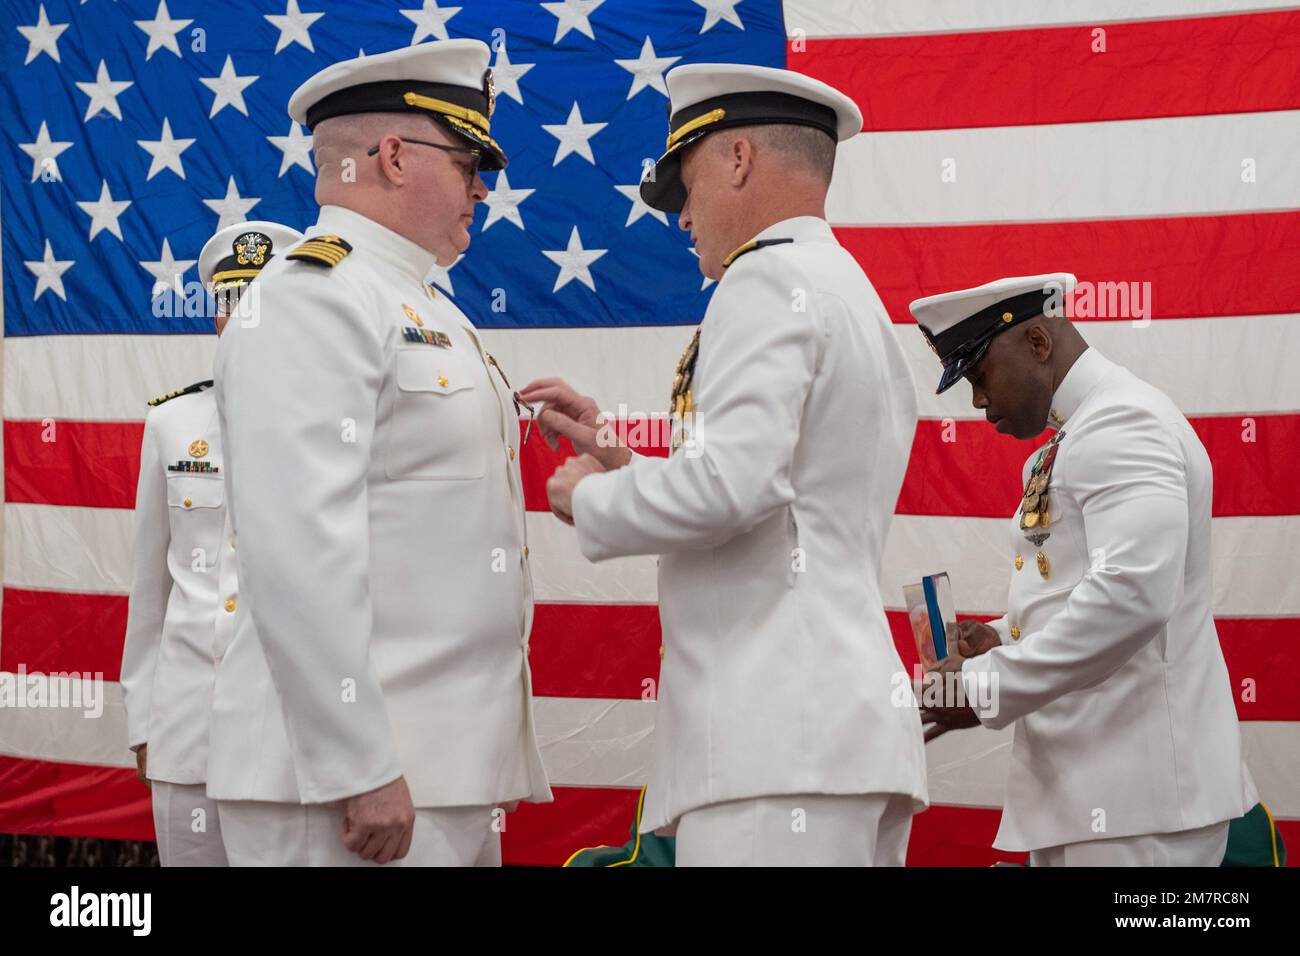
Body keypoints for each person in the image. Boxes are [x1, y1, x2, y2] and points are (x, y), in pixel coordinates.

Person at [526, 63, 928, 867]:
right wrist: (617, 453)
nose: (681, 220)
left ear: (738, 159)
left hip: (774, 744)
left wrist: (592, 498)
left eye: (685, 185)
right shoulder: (844, 287)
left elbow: (734, 487)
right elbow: (779, 492)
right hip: (832, 740)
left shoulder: (765, 278)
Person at [208, 39, 550, 866]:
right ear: (393, 157)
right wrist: (359, 764)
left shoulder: (420, 300)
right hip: (349, 786)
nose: (482, 188)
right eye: (470, 161)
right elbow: (298, 548)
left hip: (438, 772)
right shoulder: (311, 295)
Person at [913, 273, 1256, 866]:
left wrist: (982, 687)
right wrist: (1002, 635)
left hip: (1139, 807)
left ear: (1039, 344)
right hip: (1099, 798)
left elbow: (1132, 596)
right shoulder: (1081, 434)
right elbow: (1085, 588)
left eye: (979, 374)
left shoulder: (1125, 424)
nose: (977, 400)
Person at [120, 220, 301, 866]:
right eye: (230, 303)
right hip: (187, 730)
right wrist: (144, 720)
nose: (244, 318)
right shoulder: (172, 424)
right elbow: (151, 592)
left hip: (292, 740)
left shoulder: (338, 426)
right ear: (215, 317)